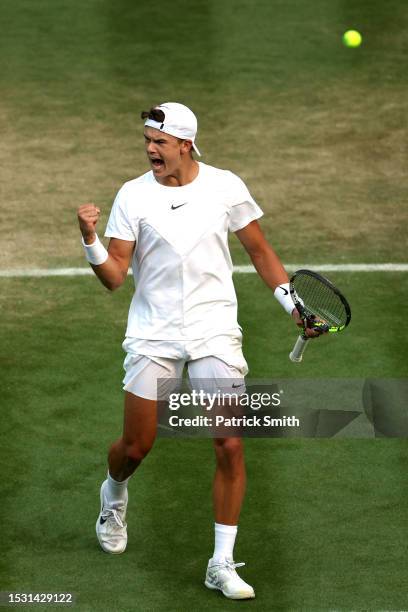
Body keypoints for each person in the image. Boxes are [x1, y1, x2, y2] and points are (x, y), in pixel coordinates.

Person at [77, 102, 319, 600]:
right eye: (147, 140)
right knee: (136, 447)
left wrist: (292, 304)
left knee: (229, 442)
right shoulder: (132, 195)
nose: (150, 149)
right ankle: (114, 492)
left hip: (214, 330)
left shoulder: (225, 186)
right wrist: (89, 239)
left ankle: (221, 562)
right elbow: (115, 277)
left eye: (159, 142)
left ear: (185, 144)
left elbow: (259, 250)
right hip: (153, 332)